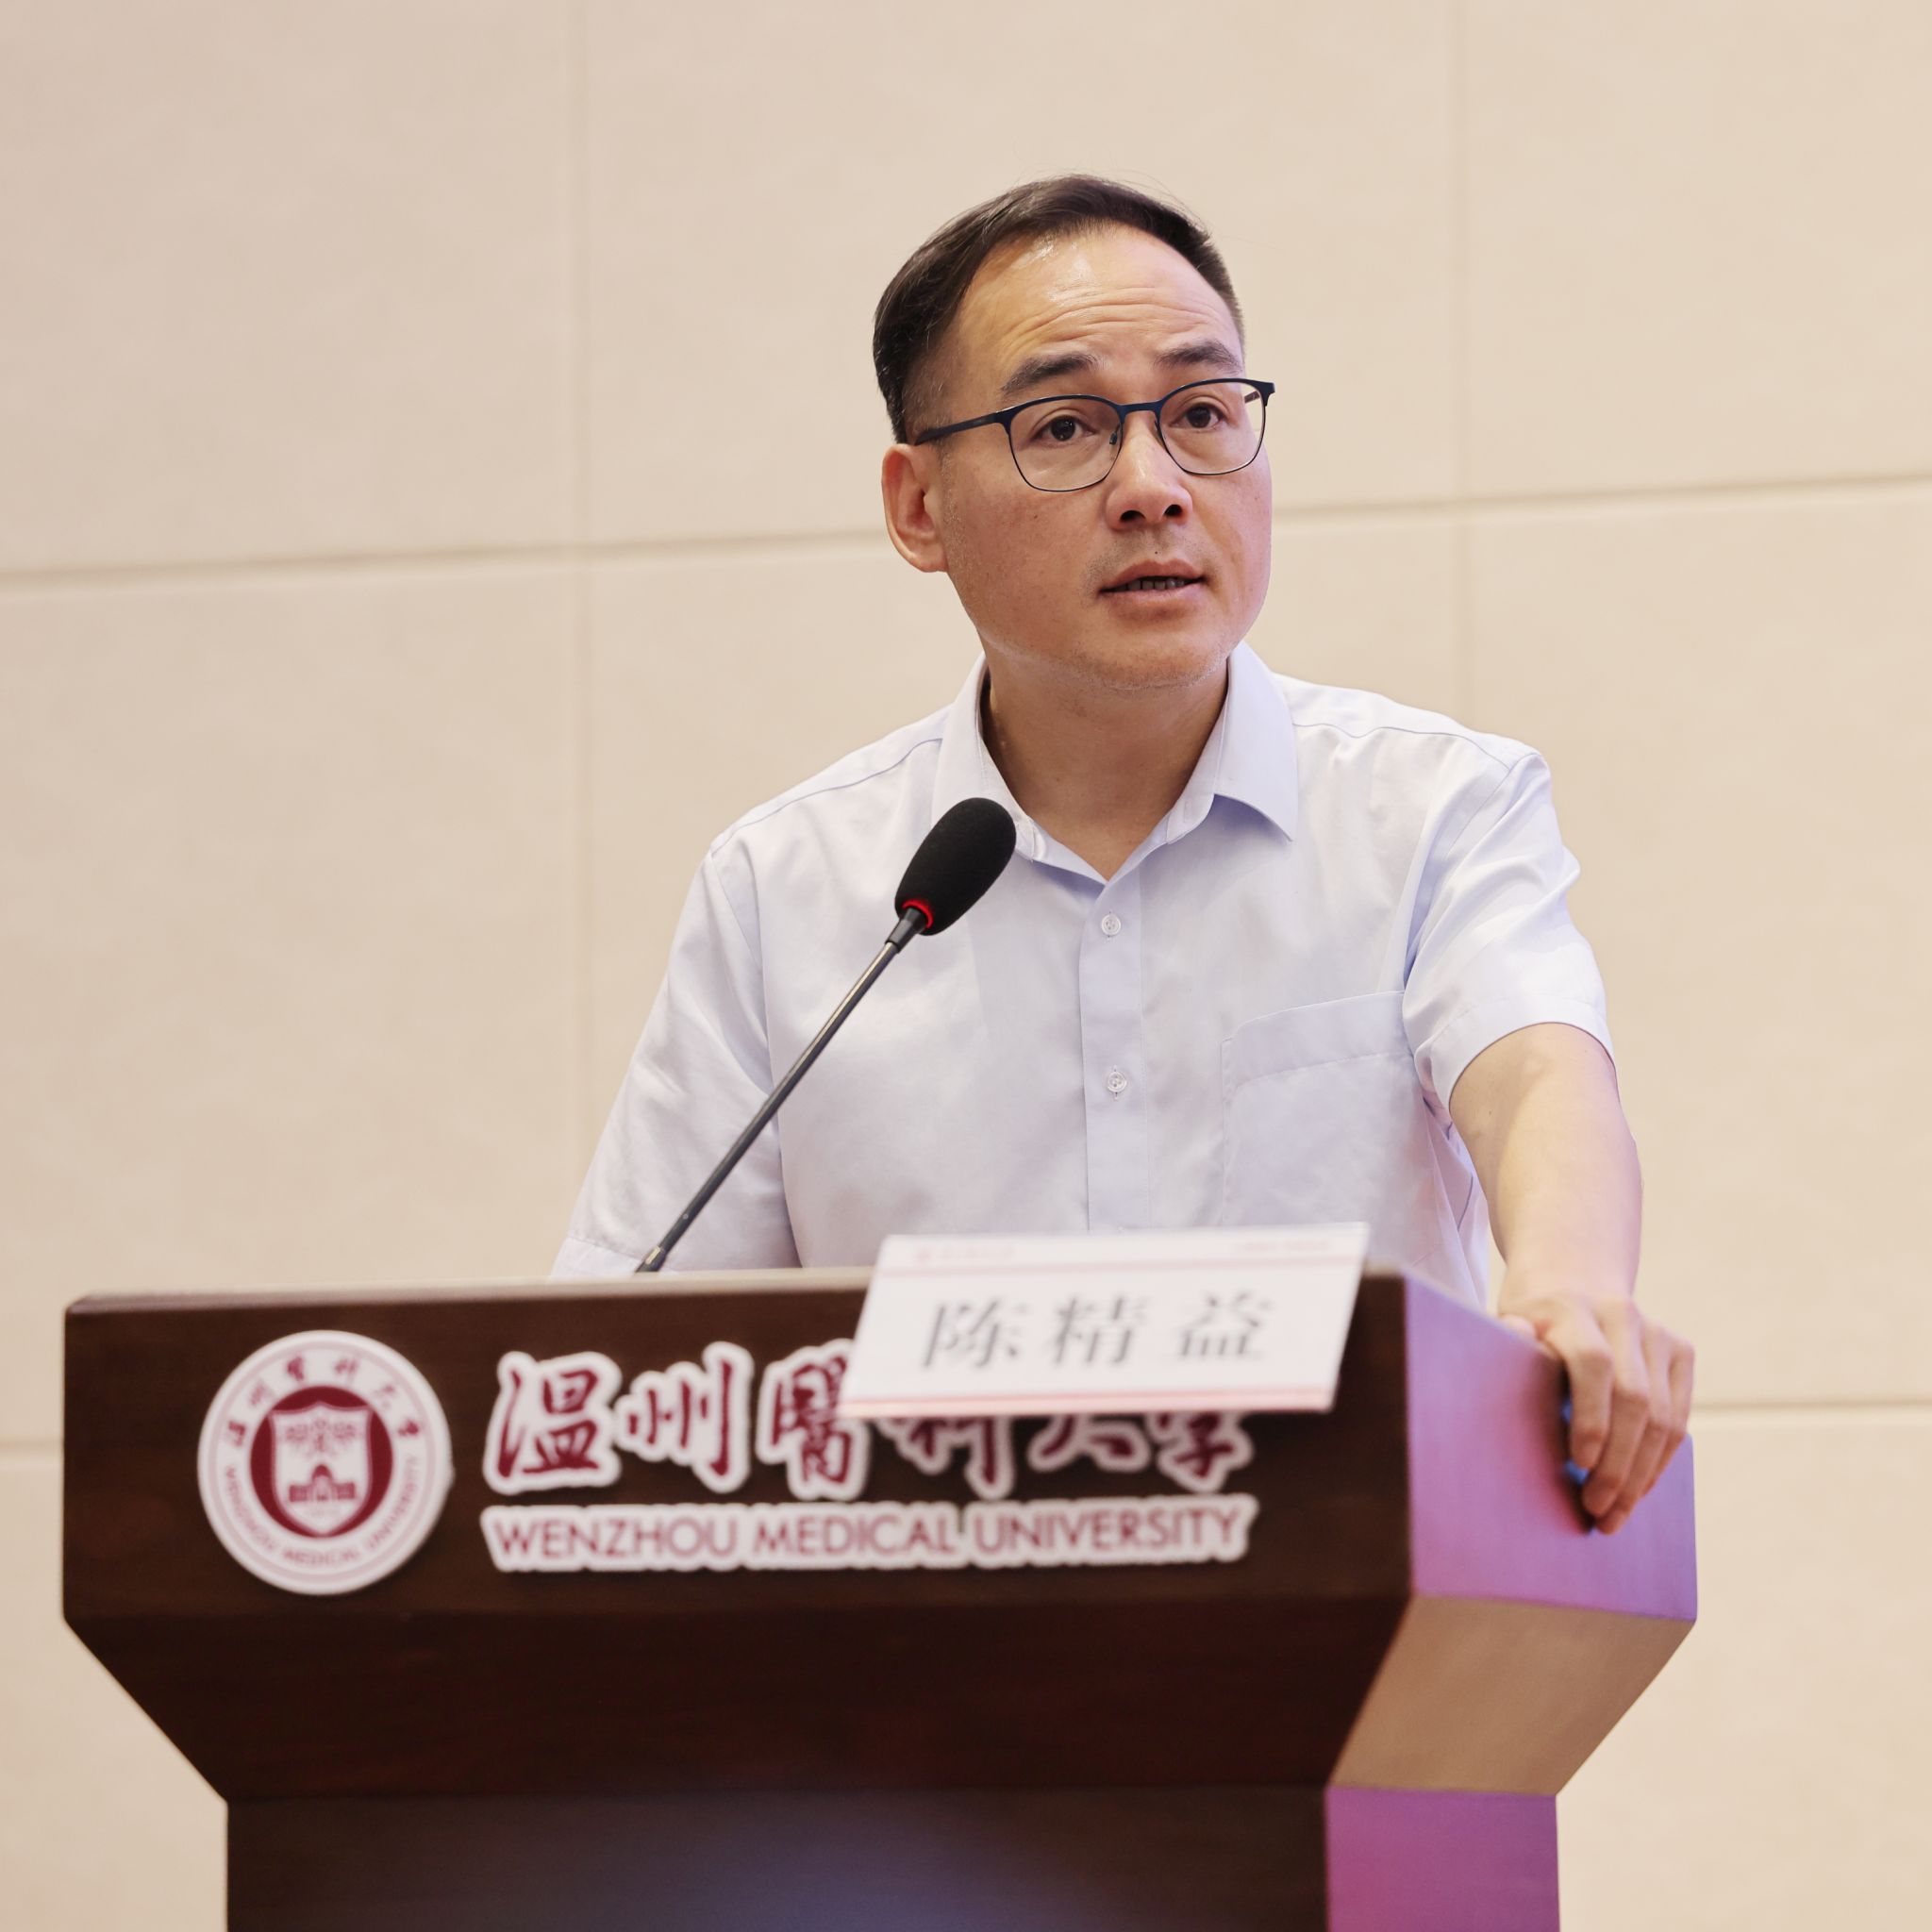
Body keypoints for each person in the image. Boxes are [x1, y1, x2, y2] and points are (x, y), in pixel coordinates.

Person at [557, 175, 1692, 1536]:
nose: (1154, 489)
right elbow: (628, 1355)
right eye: (1065, 430)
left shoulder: (1431, 808)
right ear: (919, 507)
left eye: (1202, 414)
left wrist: (1571, 1287)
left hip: (1349, 1605)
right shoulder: (788, 890)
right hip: (929, 1628)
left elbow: (1538, 1073)